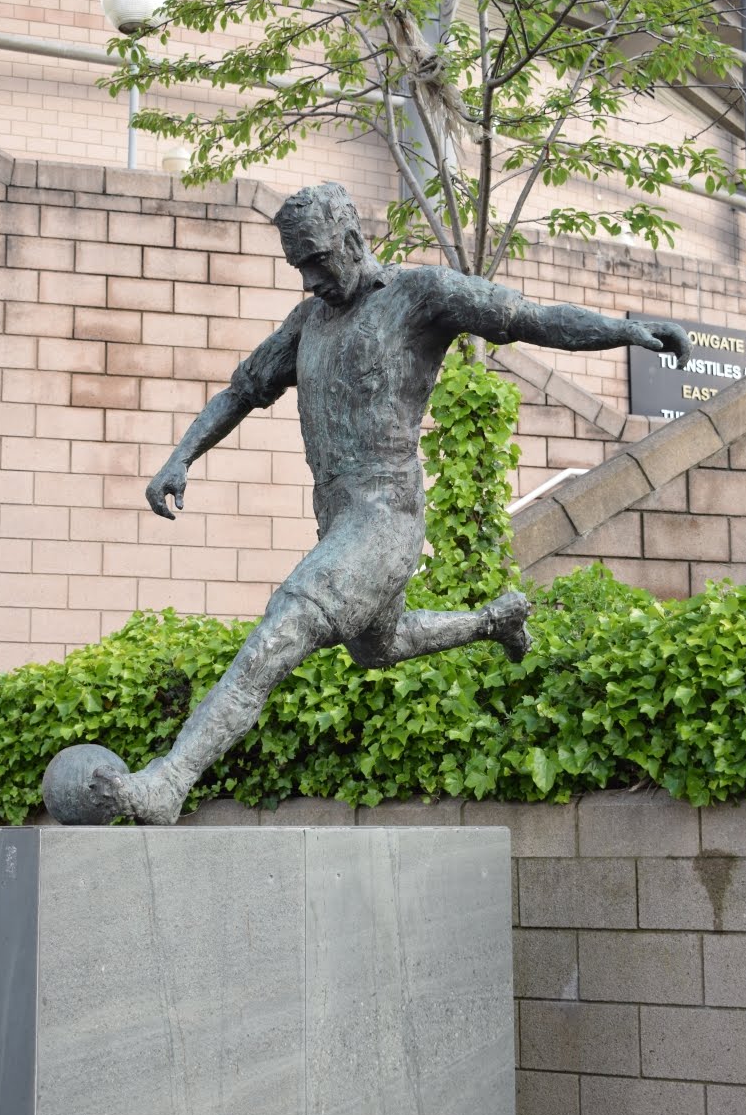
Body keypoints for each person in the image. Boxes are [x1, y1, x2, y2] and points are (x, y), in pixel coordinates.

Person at [89, 182, 690, 823]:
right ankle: (495, 621)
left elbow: (528, 318)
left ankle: (169, 781)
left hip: (385, 517)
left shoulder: (420, 295)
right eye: (300, 266)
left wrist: (626, 331)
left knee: (280, 631)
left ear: (351, 241)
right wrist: (181, 456)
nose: (311, 277)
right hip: (337, 517)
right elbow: (241, 391)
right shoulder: (306, 324)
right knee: (378, 645)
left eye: (318, 260)